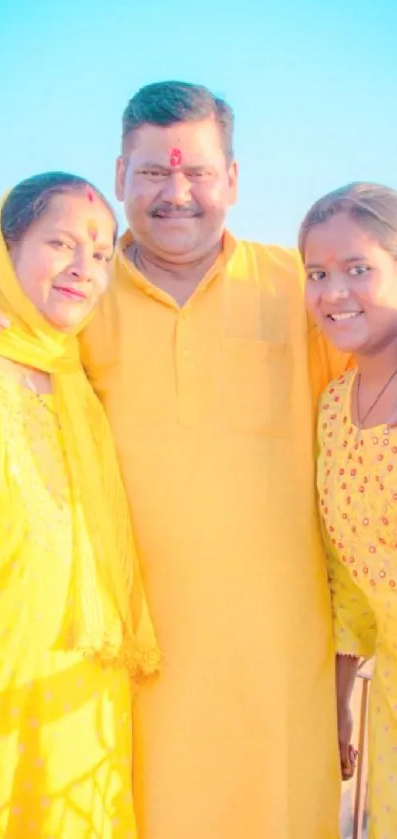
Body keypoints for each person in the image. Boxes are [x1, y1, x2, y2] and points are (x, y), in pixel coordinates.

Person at [77, 81, 353, 839]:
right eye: (153, 173)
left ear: (232, 178)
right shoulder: (73, 299)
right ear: (119, 176)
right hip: (124, 670)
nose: (177, 193)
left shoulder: (300, 288)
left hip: (277, 669)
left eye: (197, 172)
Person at [0, 172, 159, 839]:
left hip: (81, 691)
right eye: (58, 242)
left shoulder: (77, 375)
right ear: (6, 250)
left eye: (99, 253)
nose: (82, 268)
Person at [300, 181, 397, 839]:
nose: (333, 292)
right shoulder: (333, 408)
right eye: (317, 273)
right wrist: (336, 703)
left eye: (357, 268)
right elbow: (347, 584)